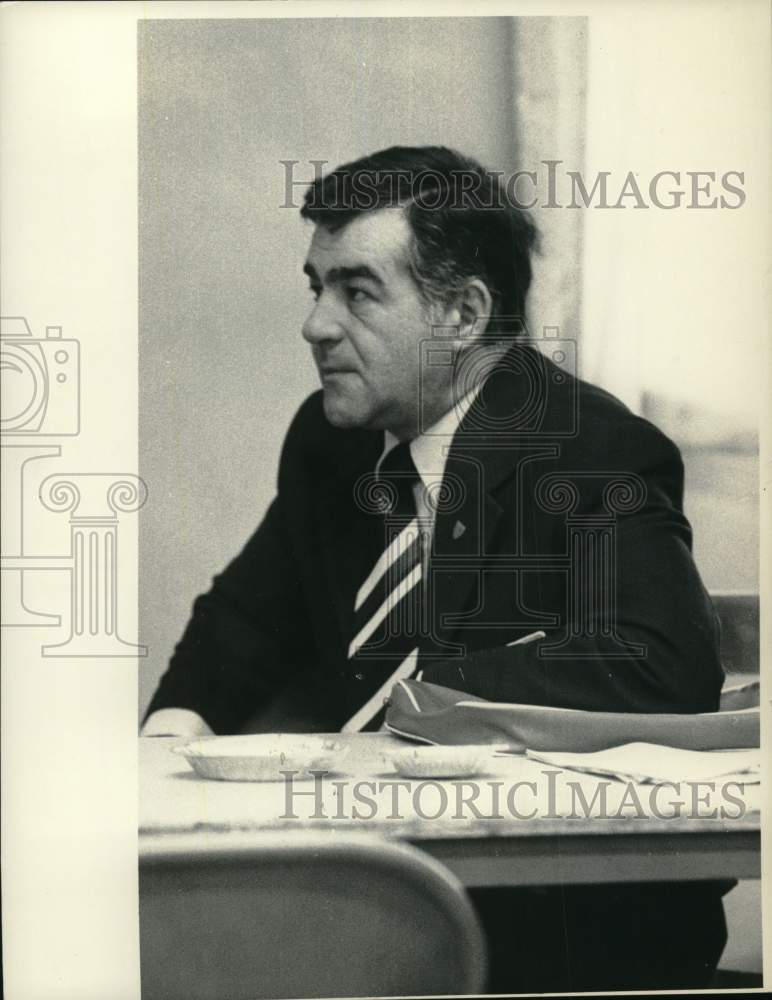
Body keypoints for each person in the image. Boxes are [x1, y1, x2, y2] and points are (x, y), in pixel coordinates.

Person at [142, 146, 729, 991]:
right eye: (316, 287)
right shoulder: (331, 440)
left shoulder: (592, 450)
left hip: (558, 942)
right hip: (360, 905)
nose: (316, 325)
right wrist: (170, 745)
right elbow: (243, 620)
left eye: (357, 290)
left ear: (462, 312)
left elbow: (661, 663)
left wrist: (418, 697)